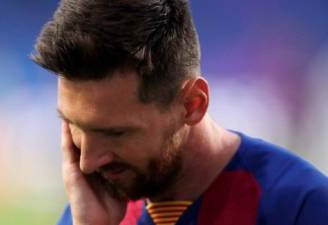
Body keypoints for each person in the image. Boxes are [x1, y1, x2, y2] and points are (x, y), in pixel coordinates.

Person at [32, 0, 328, 224]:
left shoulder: (301, 207)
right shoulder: (93, 210)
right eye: (74, 125)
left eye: (115, 133)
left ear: (192, 104)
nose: (86, 163)